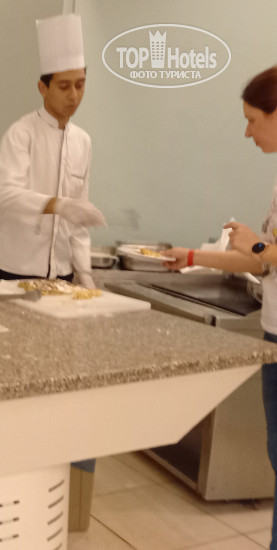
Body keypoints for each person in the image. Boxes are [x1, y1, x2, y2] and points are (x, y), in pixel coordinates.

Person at [162, 65, 277, 549]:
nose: (247, 132)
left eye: (252, 120)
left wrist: (258, 246)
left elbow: (264, 254)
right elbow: (263, 260)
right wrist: (192, 257)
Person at [0, 13, 106, 291]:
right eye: (64, 86)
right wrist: (58, 205)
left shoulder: (83, 141)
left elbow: (78, 223)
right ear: (43, 88)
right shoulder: (21, 133)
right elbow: (7, 195)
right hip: (12, 269)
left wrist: (84, 272)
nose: (74, 95)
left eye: (80, 84)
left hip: (61, 273)